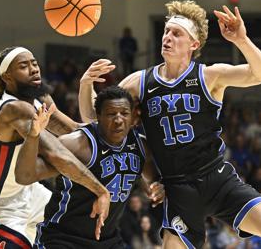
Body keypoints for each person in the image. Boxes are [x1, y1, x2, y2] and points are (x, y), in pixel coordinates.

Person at [78, 0, 261, 248]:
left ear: (194, 44)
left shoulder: (210, 76)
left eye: (177, 33)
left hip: (217, 178)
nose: (168, 36)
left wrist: (241, 40)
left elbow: (258, 73)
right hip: (177, 188)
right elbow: (95, 121)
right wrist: (85, 84)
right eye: (166, 31)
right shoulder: (138, 83)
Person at [0, 46, 110, 248]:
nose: (34, 69)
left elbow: (75, 131)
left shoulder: (39, 99)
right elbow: (57, 154)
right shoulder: (14, 108)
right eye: (24, 66)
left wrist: (85, 85)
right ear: (7, 77)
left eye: (34, 63)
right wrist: (101, 190)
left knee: (79, 229)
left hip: (30, 193)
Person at [15, 86, 164, 248]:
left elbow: (153, 180)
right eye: (111, 114)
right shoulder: (77, 144)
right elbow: (25, 176)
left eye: (124, 113)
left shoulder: (141, 146)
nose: (119, 119)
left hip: (107, 239)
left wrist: (157, 186)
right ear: (98, 116)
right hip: (63, 238)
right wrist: (33, 135)